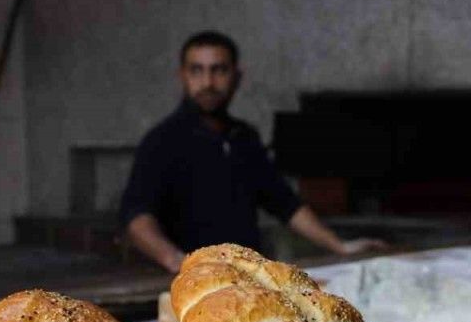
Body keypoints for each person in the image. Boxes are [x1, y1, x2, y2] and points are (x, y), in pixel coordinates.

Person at [118, 30, 385, 272]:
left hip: (247, 281)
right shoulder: (162, 141)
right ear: (182, 76)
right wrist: (177, 261)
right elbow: (136, 218)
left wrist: (339, 245)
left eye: (219, 70)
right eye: (197, 70)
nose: (208, 82)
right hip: (192, 284)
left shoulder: (244, 138)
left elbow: (284, 204)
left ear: (237, 76)